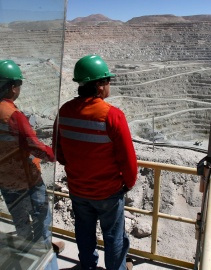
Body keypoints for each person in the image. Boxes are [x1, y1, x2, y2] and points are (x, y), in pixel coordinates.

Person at [53, 55, 137, 270]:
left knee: (84, 231)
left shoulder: (64, 111)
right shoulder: (113, 116)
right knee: (114, 237)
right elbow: (127, 159)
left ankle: (88, 266)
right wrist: (127, 183)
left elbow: (59, 153)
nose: (109, 85)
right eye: (107, 81)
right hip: (107, 191)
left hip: (78, 189)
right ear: (99, 86)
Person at [0, 60, 64, 253]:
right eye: (19, 85)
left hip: (5, 180)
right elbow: (34, 146)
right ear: (12, 88)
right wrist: (55, 155)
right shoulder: (12, 115)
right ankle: (43, 255)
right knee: (42, 218)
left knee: (20, 222)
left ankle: (25, 254)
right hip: (27, 180)